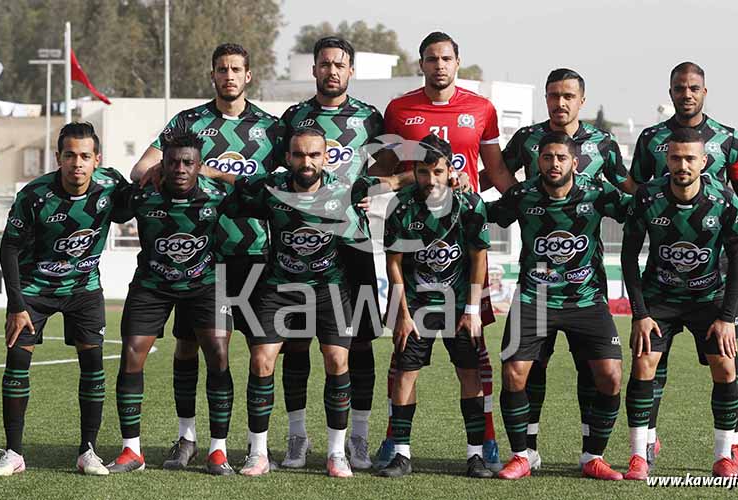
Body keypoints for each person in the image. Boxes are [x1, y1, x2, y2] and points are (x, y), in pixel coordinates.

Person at [216, 128, 410, 478]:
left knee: (337, 359)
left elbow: (399, 180)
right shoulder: (270, 188)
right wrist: (209, 173)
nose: (306, 162)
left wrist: (449, 178)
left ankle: (337, 453)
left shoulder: (347, 188)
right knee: (262, 361)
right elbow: (232, 190)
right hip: (279, 289)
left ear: (326, 157)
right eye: (299, 155)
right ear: (288, 157)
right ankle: (258, 453)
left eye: (314, 155)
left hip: (330, 289)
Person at [128, 43, 281, 469]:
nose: (229, 75)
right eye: (221, 69)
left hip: (254, 252)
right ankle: (187, 437)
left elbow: (289, 182)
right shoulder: (188, 122)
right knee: (188, 346)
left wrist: (209, 171)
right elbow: (141, 172)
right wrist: (206, 172)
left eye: (236, 69)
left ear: (248, 75)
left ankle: (254, 447)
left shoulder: (270, 128)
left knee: (259, 352)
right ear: (212, 74)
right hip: (201, 257)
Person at [376, 31, 517, 470]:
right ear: (420, 63)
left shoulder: (482, 109)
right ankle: (394, 443)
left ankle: (485, 442)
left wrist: (526, 212)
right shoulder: (399, 109)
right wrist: (393, 184)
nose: (439, 65)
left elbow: (494, 173)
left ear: (458, 62)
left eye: (446, 58)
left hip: (462, 246)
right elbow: (384, 171)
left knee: (473, 352)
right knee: (405, 353)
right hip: (416, 245)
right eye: (431, 59)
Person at [494, 67, 635, 470]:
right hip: (535, 290)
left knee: (603, 375)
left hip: (585, 290)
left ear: (581, 100)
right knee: (521, 370)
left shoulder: (603, 144)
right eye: (553, 95)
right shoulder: (527, 140)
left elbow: (628, 193)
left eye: (568, 96)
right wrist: (457, 186)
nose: (560, 103)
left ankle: (593, 456)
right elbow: (496, 178)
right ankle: (526, 453)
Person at [629, 62, 738, 470]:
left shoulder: (729, 140)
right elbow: (639, 190)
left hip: (714, 270)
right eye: (680, 87)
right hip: (665, 271)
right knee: (653, 362)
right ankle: (645, 441)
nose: (687, 93)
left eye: (694, 87)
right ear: (670, 92)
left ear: (705, 91)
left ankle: (729, 446)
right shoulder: (651, 140)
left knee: (725, 357)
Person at [0, 122, 128, 477]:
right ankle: (14, 453)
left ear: (97, 159)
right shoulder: (35, 195)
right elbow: (9, 248)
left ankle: (88, 452)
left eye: (84, 156)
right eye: (69, 155)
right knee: (17, 365)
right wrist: (17, 305)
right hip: (35, 293)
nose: (77, 163)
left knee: (93, 368)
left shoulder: (111, 186)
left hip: (84, 291)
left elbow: (133, 207)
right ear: (58, 158)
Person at [275, 36, 385, 470]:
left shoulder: (369, 119)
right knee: (297, 345)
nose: (332, 71)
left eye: (340, 64)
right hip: (300, 249)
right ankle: (297, 437)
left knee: (358, 346)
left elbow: (389, 165)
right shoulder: (294, 117)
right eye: (324, 64)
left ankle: (357, 438)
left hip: (353, 244)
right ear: (314, 69)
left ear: (351, 71)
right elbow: (275, 171)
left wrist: (368, 189)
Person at [106, 132, 235, 475]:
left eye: (188, 163)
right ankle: (132, 451)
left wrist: (218, 173)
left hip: (206, 283)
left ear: (199, 166)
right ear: (162, 164)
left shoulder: (217, 193)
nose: (180, 169)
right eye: (173, 162)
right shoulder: (141, 196)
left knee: (218, 354)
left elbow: (259, 189)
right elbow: (106, 206)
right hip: (153, 284)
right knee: (132, 353)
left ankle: (218, 451)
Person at [377, 134, 492, 479]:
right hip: (416, 304)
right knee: (404, 374)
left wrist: (472, 311)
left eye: (438, 171)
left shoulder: (470, 205)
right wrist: (402, 314)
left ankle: (475, 455)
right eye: (424, 172)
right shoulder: (401, 205)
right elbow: (393, 262)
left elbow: (478, 259)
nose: (431, 179)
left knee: (469, 373)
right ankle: (401, 455)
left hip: (458, 306)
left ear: (450, 169)